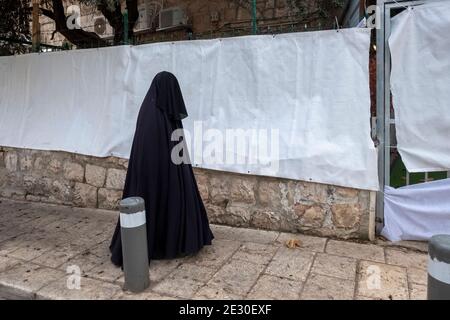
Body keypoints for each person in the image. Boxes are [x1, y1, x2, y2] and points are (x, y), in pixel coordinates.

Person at [109, 71, 214, 267]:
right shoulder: (155, 117)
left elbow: (177, 148)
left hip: (168, 172)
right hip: (157, 176)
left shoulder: (161, 113)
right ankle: (163, 242)